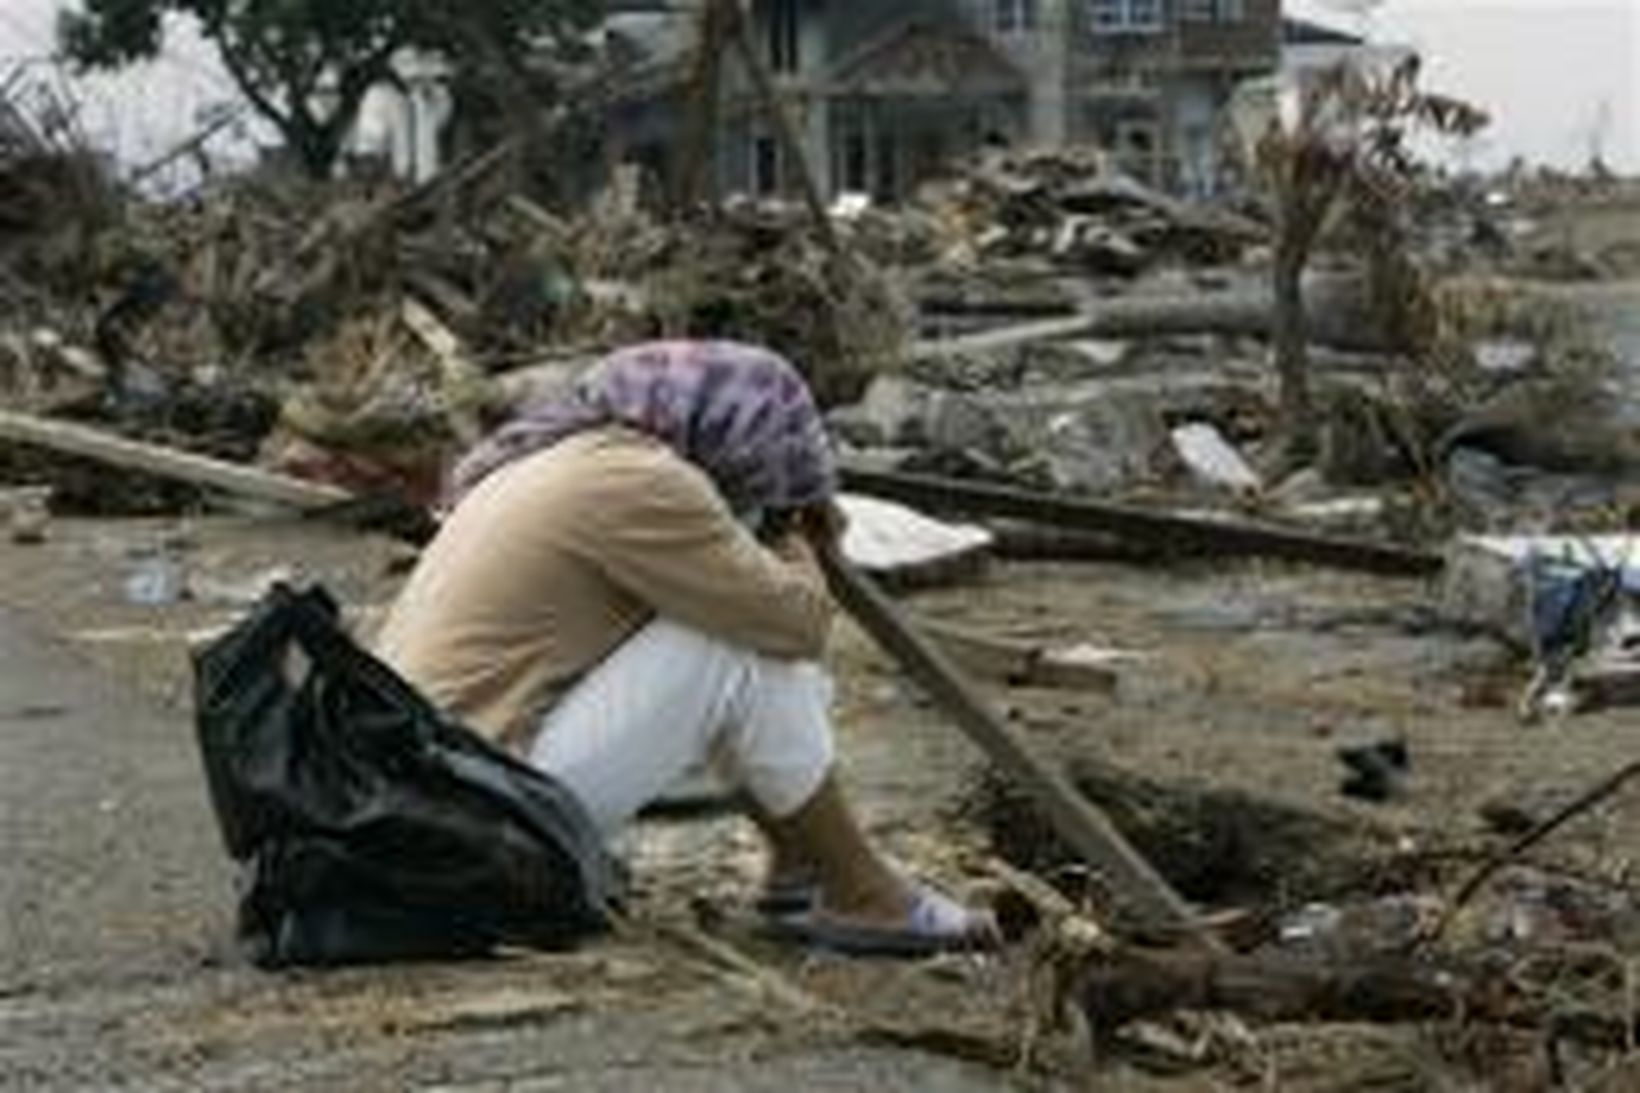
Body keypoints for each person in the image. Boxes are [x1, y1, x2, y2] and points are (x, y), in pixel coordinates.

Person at [376, 340, 995, 955]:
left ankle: (803, 868)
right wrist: (799, 536)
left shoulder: (567, 461)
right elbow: (796, 625)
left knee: (734, 626)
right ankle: (864, 894)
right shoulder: (639, 480)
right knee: (733, 645)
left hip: (431, 803)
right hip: (475, 824)